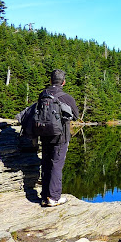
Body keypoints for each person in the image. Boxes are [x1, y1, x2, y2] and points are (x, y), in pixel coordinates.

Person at [38, 69, 79, 207]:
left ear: (50, 80)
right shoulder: (66, 97)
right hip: (61, 136)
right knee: (56, 165)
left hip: (44, 135)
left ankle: (45, 196)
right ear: (63, 82)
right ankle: (54, 197)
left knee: (46, 164)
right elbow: (76, 115)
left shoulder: (43, 94)